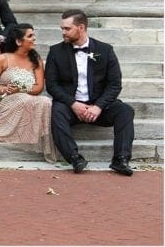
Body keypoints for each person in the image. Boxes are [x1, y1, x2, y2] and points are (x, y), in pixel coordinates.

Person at [45, 10, 135, 176]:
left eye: (67, 28)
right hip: (71, 107)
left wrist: (99, 106)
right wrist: (73, 103)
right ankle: (74, 157)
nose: (63, 32)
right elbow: (52, 85)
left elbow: (115, 84)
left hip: (99, 107)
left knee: (125, 111)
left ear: (81, 27)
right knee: (56, 111)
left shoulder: (105, 50)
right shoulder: (56, 52)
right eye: (62, 28)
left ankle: (120, 159)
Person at [0, 24, 57, 163]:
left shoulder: (36, 59)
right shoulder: (3, 58)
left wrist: (20, 89)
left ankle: (38, 140)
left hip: (29, 98)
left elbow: (38, 87)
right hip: (5, 98)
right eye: (30, 36)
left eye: (34, 35)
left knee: (45, 101)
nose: (34, 38)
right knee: (24, 100)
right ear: (19, 41)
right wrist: (4, 90)